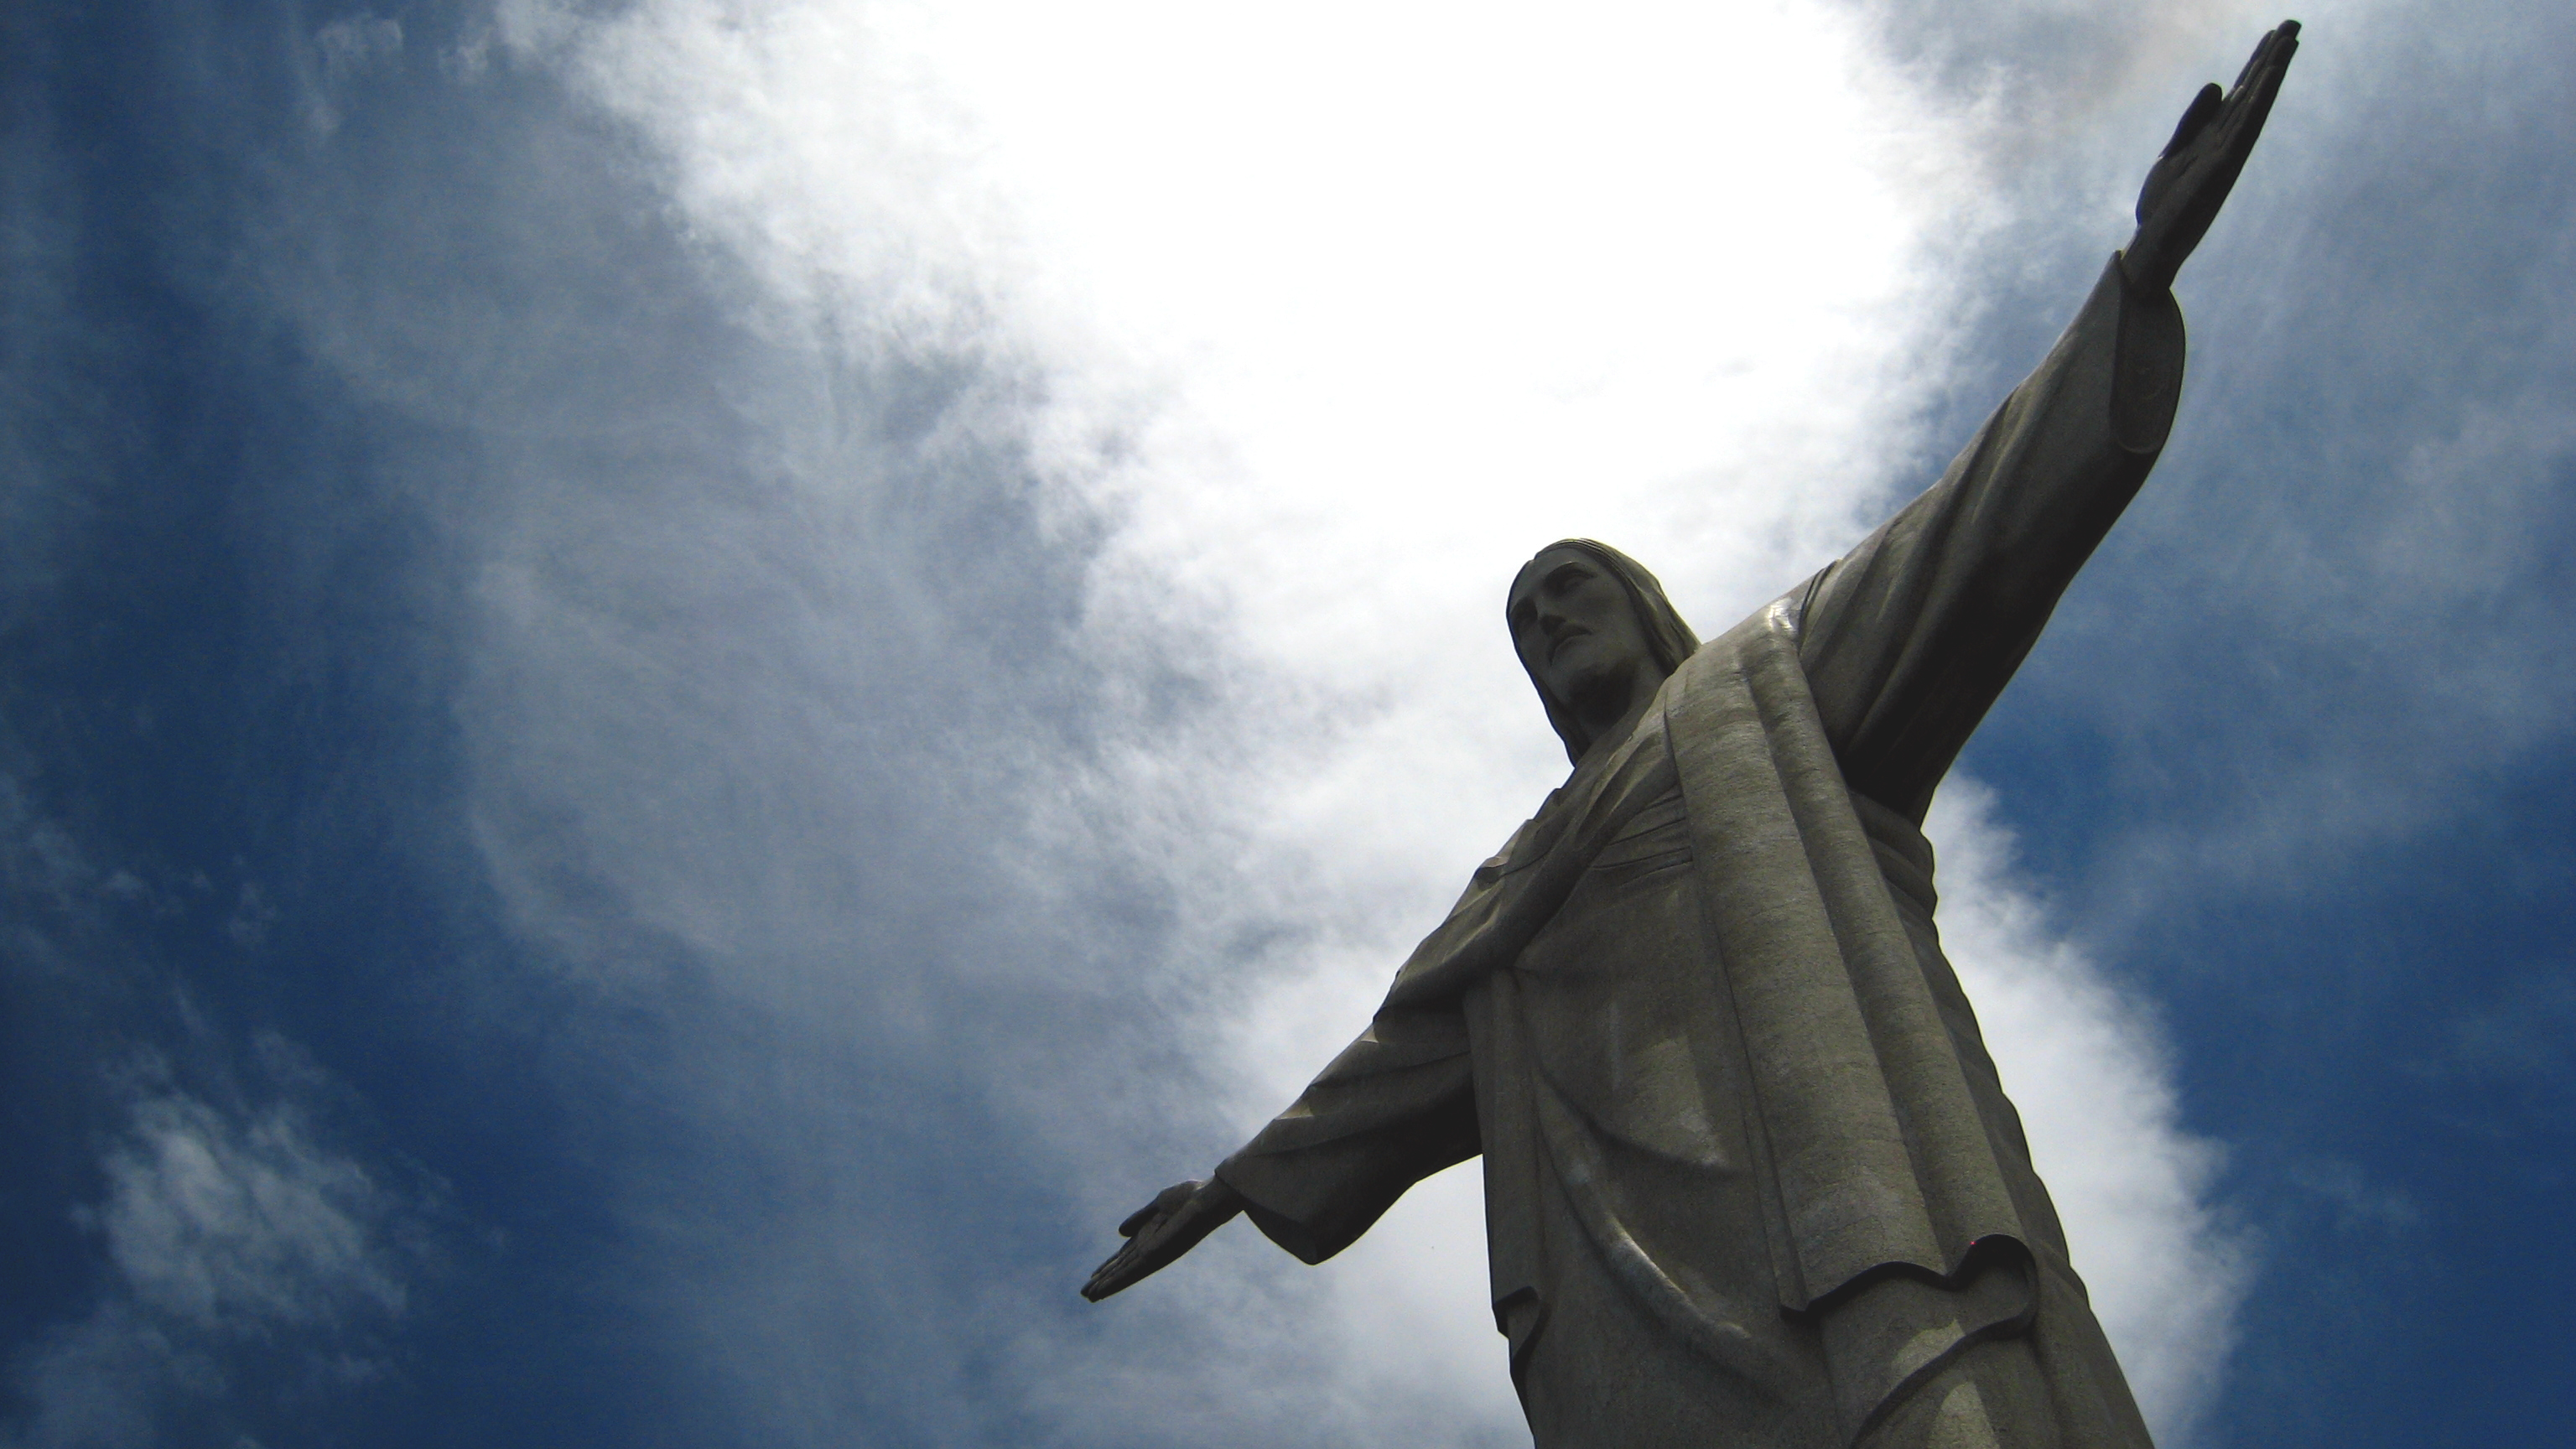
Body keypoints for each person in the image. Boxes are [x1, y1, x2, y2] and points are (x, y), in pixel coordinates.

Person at [1085, 23, 2301, 1446]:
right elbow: (1403, 1051)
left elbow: (1966, 535)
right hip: (1618, 1263)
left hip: (1827, 1190)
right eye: (1525, 620)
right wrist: (1234, 1184)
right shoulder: (1512, 883)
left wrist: (2133, 281)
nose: (1547, 621)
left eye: (1570, 590)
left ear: (1648, 608)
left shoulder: (1762, 691)